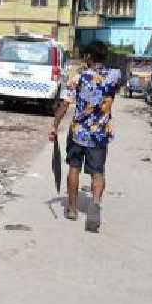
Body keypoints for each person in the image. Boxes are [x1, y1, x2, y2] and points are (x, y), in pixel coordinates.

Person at [49, 41, 121, 232]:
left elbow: (64, 105)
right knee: (98, 173)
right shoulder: (114, 76)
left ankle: (72, 209)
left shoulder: (78, 78)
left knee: (74, 168)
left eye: (84, 55)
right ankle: (95, 203)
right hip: (100, 133)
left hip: (79, 132)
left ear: (89, 56)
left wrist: (54, 126)